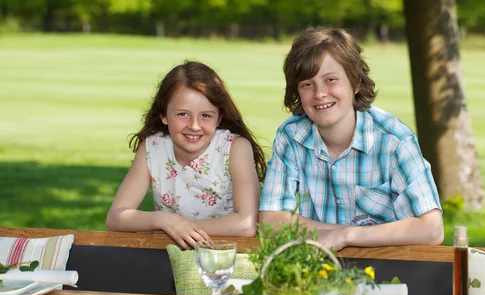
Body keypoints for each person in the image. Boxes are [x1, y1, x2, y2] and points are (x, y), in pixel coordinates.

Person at [259, 28, 444, 250]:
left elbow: (432, 229)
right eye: (307, 84)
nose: (319, 93)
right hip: (313, 267)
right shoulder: (291, 137)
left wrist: (348, 236)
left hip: (386, 269)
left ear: (355, 83)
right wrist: (338, 234)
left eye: (331, 80)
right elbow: (270, 221)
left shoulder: (395, 140)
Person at [107, 61, 266, 249]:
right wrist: (163, 220)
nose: (194, 125)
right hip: (171, 255)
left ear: (219, 118)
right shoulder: (152, 148)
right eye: (183, 114)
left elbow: (246, 225)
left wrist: (181, 227)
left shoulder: (235, 148)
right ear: (164, 115)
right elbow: (115, 218)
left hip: (226, 256)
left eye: (206, 115)